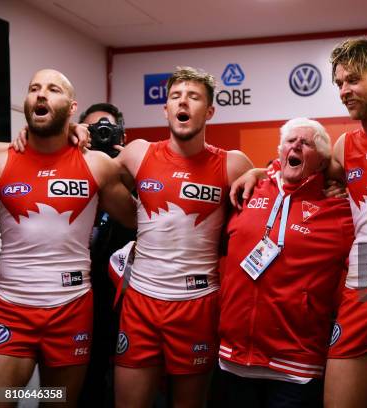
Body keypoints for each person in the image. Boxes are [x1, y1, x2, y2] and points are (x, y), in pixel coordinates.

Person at [231, 35, 367, 407]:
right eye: (339, 83)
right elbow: (301, 174)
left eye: (353, 80)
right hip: (357, 290)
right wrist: (258, 170)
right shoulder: (344, 147)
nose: (344, 91)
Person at [112, 66, 253, 408]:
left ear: (209, 111)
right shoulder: (139, 153)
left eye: (193, 97)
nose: (182, 102)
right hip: (141, 301)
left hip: (198, 304)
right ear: (166, 110)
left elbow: (276, 196)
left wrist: (262, 170)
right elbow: (93, 178)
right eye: (175, 97)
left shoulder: (233, 164)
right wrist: (74, 136)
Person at [0, 69, 136, 406]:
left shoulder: (96, 164)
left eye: (52, 89)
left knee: (55, 401)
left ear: (72, 107)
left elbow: (140, 218)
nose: (41, 94)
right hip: (11, 310)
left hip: (72, 309)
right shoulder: (1, 161)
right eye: (34, 89)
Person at [217, 118, 354, 407]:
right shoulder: (247, 191)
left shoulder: (340, 210)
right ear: (279, 151)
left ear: (322, 162)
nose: (296, 146)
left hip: (296, 367)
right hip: (233, 359)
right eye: (291, 141)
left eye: (306, 143)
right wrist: (257, 171)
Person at [78, 103, 137, 408]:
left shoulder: (137, 172)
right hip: (77, 301)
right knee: (83, 387)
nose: (100, 137)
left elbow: (147, 219)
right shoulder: (71, 171)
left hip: (128, 303)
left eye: (107, 130)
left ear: (121, 136)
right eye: (92, 131)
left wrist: (124, 167)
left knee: (129, 388)